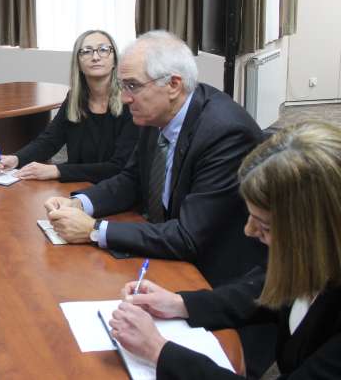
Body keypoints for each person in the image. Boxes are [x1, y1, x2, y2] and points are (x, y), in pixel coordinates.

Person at [109, 122, 341, 379]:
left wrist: (158, 351)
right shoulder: (314, 258)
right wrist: (179, 304)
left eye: (264, 226)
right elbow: (263, 290)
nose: (249, 231)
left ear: (316, 230)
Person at [42, 30, 266, 286]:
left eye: (133, 86)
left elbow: (189, 236)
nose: (124, 98)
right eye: (123, 85)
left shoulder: (225, 133)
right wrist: (80, 204)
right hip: (168, 251)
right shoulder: (156, 113)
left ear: (173, 85)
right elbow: (132, 180)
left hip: (216, 276)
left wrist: (94, 230)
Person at [0, 29, 138, 183]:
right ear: (78, 63)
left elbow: (119, 167)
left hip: (115, 189)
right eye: (87, 51)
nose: (95, 57)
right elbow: (49, 141)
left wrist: (57, 170)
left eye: (103, 50)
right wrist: (16, 159)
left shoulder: (130, 103)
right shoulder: (74, 99)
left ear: (115, 60)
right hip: (76, 184)